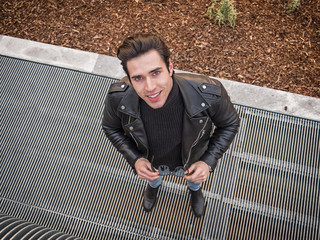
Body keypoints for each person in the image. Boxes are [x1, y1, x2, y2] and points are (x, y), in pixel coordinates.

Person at [102, 34, 240, 217]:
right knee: (153, 177)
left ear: (170, 67)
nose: (150, 87)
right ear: (129, 78)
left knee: (195, 180)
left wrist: (207, 161)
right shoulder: (118, 98)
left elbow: (230, 123)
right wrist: (135, 159)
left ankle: (195, 191)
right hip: (152, 161)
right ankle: (153, 187)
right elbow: (110, 127)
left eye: (156, 73)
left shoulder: (209, 94)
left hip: (192, 160)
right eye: (138, 78)